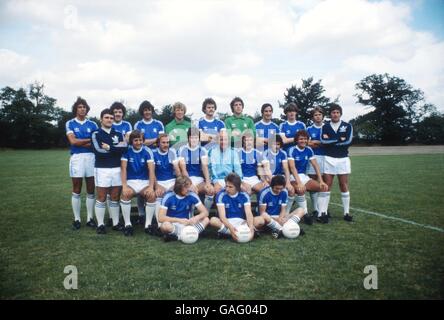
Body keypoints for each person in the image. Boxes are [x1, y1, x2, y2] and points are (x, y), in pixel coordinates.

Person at [91, 108, 128, 234]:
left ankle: (116, 223)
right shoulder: (96, 133)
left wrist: (109, 147)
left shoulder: (118, 133)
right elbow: (98, 151)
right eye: (107, 117)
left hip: (117, 168)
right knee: (101, 197)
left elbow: (124, 149)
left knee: (115, 197)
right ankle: (100, 224)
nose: (109, 120)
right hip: (102, 169)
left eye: (111, 118)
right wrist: (114, 150)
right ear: (101, 119)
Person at [65, 97, 98, 230]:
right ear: (76, 109)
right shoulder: (70, 123)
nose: (82, 109)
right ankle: (77, 219)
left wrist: (81, 141)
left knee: (91, 189)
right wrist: (89, 140)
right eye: (80, 107)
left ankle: (90, 218)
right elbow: (73, 142)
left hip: (91, 157)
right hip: (77, 158)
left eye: (84, 107)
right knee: (77, 189)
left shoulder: (93, 124)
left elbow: (96, 143)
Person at [320, 103, 353, 223]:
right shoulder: (325, 126)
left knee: (343, 185)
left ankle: (346, 212)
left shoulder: (347, 125)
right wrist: (339, 139)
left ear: (340, 114)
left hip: (343, 158)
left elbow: (348, 141)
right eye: (333, 112)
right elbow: (323, 141)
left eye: (337, 112)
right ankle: (323, 212)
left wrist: (331, 140)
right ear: (330, 114)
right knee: (327, 185)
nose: (335, 114)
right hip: (329, 158)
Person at [120, 130, 156, 236]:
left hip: (144, 182)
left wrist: (150, 186)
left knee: (151, 195)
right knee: (125, 194)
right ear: (131, 141)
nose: (138, 142)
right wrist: (124, 186)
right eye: (136, 140)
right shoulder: (127, 151)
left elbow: (151, 170)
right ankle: (128, 224)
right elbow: (123, 169)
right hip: (131, 181)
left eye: (140, 140)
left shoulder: (147, 151)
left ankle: (148, 225)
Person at [287, 130, 328, 224]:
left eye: (305, 139)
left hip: (304, 176)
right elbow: (292, 168)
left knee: (323, 187)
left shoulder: (309, 150)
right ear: (296, 140)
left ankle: (320, 214)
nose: (303, 141)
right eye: (301, 139)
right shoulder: (291, 150)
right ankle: (305, 214)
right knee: (301, 189)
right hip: (292, 177)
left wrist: (321, 180)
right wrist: (299, 182)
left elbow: (316, 165)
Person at [133, 100, 164, 223]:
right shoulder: (138, 125)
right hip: (141, 156)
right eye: (145, 110)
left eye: (149, 109)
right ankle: (141, 214)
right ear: (142, 111)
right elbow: (139, 142)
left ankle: (155, 213)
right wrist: (154, 139)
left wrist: (152, 140)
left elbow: (161, 140)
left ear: (152, 110)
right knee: (142, 185)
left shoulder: (158, 124)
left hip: (156, 156)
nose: (147, 112)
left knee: (153, 184)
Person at [158, 176, 209, 242]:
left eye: (189, 186)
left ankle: (178, 237)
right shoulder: (168, 197)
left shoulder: (192, 195)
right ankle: (190, 234)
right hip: (173, 224)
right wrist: (179, 220)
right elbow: (161, 218)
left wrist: (196, 218)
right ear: (179, 187)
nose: (189, 189)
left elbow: (205, 212)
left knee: (206, 219)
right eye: (186, 187)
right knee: (164, 226)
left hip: (189, 223)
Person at [177, 128, 215, 212]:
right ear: (188, 138)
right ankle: (190, 216)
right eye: (192, 137)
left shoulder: (202, 150)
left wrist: (208, 182)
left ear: (199, 138)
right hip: (186, 179)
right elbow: (183, 170)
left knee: (211, 190)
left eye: (196, 137)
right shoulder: (182, 149)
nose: (194, 140)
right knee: (191, 191)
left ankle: (206, 213)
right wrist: (190, 184)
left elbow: (205, 167)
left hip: (199, 180)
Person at [210, 173, 255, 241]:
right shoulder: (221, 195)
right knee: (213, 220)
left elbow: (249, 213)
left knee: (260, 220)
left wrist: (251, 228)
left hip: (242, 223)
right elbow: (222, 217)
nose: (227, 189)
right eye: (226, 186)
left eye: (230, 187)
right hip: (227, 222)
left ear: (237, 187)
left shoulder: (244, 195)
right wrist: (231, 228)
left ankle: (226, 233)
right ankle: (239, 233)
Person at [152, 133, 182, 227]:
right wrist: (156, 186)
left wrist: (177, 184)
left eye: (168, 142)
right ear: (158, 143)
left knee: (179, 193)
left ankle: (179, 220)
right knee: (159, 194)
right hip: (159, 181)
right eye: (163, 143)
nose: (166, 145)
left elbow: (177, 170)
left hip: (171, 181)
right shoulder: (153, 153)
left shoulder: (172, 152)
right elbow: (151, 172)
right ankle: (159, 224)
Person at [262, 135, 295, 213]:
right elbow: (266, 169)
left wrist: (288, 182)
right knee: (274, 189)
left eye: (278, 144)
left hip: (280, 177)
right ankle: (267, 211)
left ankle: (286, 212)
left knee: (291, 190)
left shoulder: (283, 153)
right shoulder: (266, 153)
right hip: (269, 177)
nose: (276, 146)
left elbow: (286, 169)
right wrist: (273, 181)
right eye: (274, 144)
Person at [208, 129, 243, 194]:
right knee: (212, 191)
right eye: (221, 139)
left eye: (225, 139)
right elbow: (211, 169)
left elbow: (238, 169)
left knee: (244, 189)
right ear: (218, 140)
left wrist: (240, 182)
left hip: (230, 180)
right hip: (217, 179)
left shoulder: (233, 152)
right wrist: (216, 182)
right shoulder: (212, 151)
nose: (223, 142)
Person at [306, 106, 326, 218]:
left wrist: (316, 142)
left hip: (326, 157)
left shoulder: (327, 127)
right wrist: (320, 142)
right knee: (313, 183)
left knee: (323, 182)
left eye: (319, 114)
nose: (318, 117)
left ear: (323, 116)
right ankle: (315, 209)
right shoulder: (309, 129)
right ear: (313, 117)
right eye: (315, 115)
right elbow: (307, 143)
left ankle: (323, 209)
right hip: (313, 157)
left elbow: (327, 143)